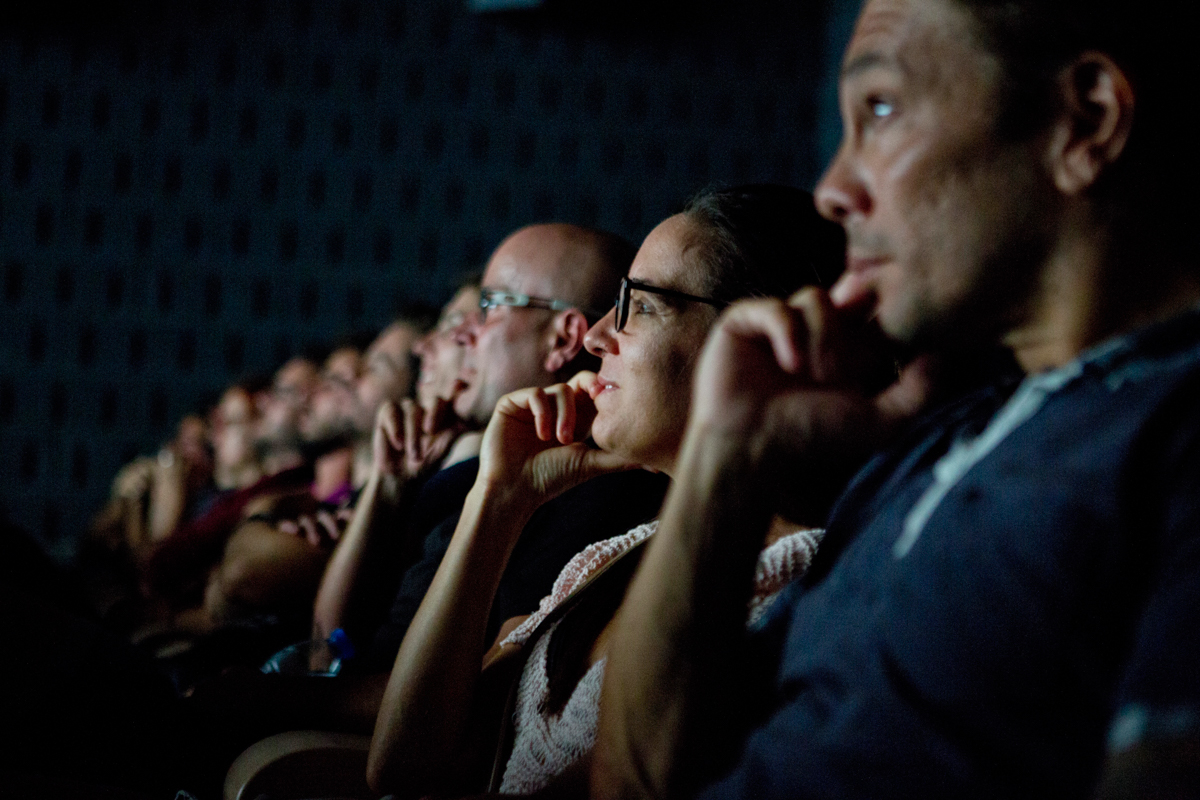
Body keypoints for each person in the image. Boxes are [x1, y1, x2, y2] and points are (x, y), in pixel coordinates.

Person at [592, 1, 1200, 798]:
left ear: (1083, 122)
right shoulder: (931, 444)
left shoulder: (1172, 434)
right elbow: (637, 782)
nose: (833, 190)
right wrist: (727, 454)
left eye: (879, 109)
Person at [366, 185, 847, 798]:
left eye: (639, 306)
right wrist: (499, 499)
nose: (596, 337)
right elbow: (402, 762)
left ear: (760, 339)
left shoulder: (802, 588)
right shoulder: (615, 554)